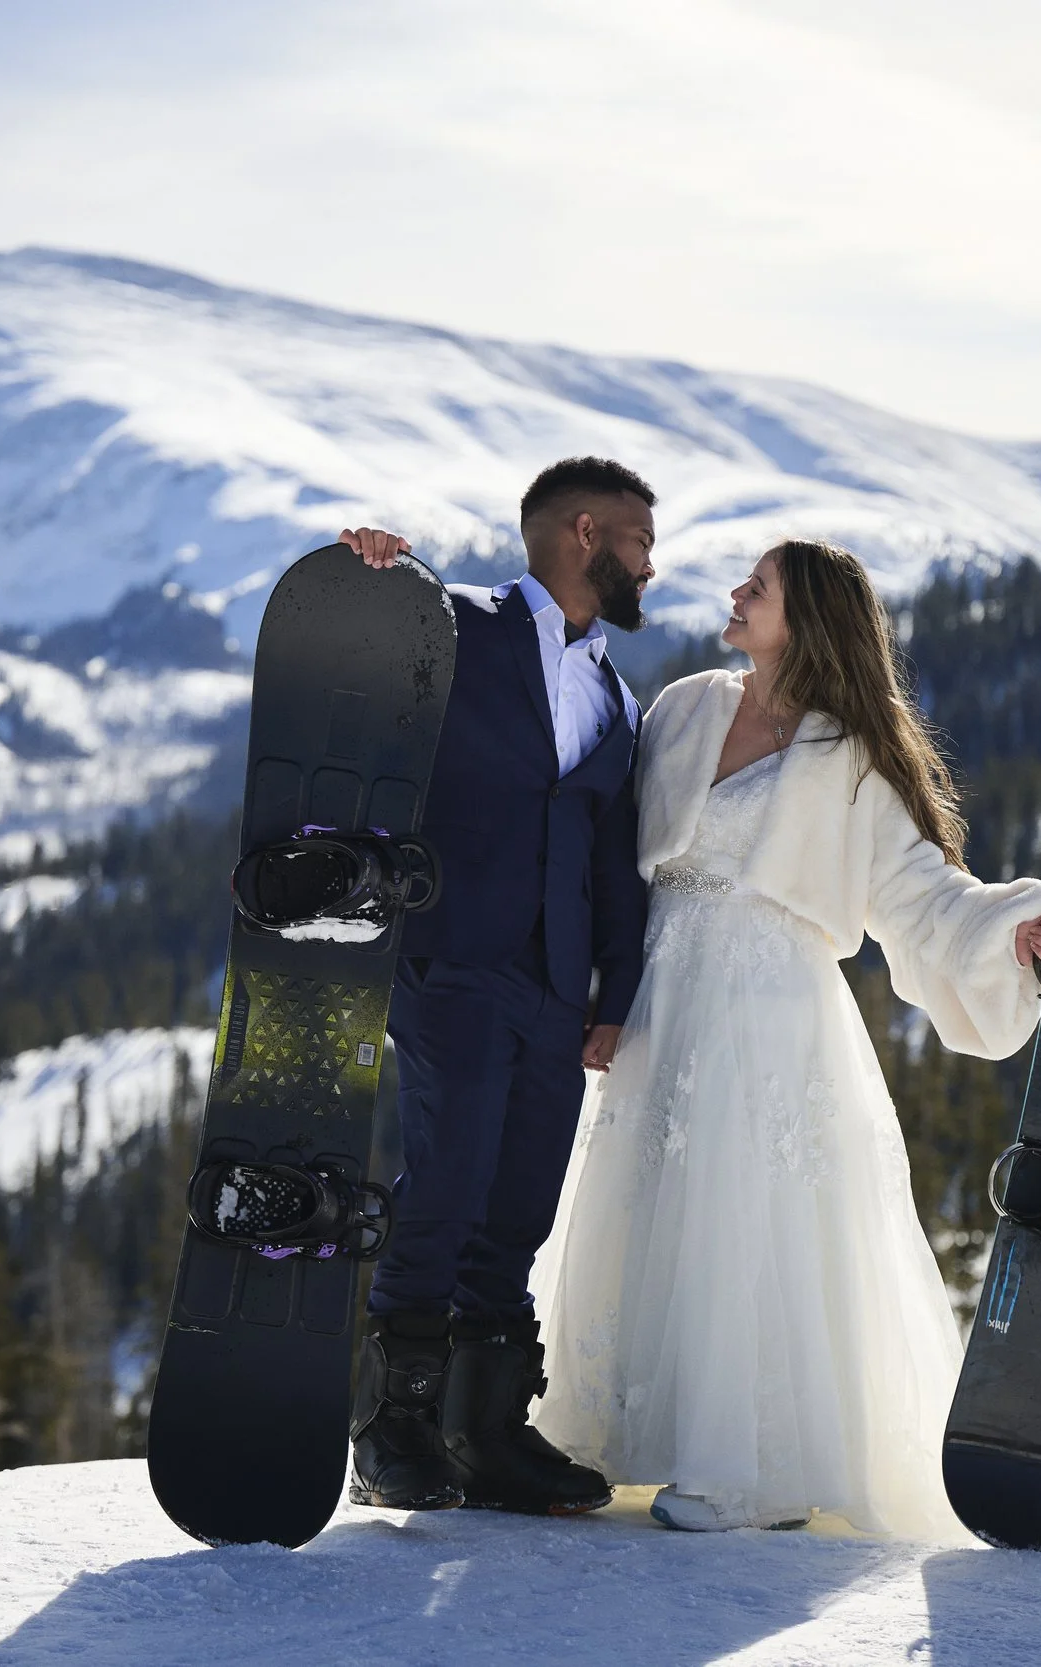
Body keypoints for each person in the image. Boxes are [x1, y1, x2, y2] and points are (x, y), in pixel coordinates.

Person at [528, 538, 1041, 1535]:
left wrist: (1013, 925)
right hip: (666, 998)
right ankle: (621, 1435)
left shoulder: (852, 754)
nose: (735, 594)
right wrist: (601, 993)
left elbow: (920, 892)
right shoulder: (686, 704)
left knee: (750, 1216)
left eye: (759, 586)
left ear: (807, 617)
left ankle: (757, 1467)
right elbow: (611, 859)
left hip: (772, 1008)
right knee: (652, 1205)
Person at [337, 457, 654, 1516]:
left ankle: (487, 1431)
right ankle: (393, 1431)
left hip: (555, 982)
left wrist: (614, 991)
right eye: (638, 541)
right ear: (582, 533)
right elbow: (351, 675)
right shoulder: (453, 623)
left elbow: (612, 855)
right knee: (447, 1177)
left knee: (518, 1202)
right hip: (451, 960)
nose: (649, 564)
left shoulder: (617, 691)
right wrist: (371, 574)